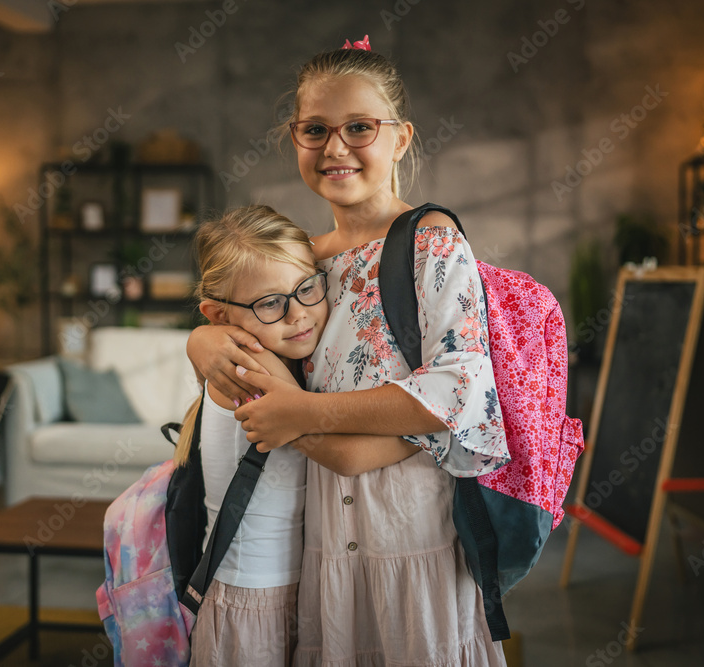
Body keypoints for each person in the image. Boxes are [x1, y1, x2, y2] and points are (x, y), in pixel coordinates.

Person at [187, 40, 509, 666]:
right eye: (316, 130)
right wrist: (201, 340)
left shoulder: (431, 243)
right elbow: (235, 318)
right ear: (295, 138)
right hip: (326, 549)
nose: (336, 148)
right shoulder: (306, 259)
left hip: (413, 542)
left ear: (401, 137)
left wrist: (301, 413)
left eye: (359, 127)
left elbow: (462, 389)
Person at [178, 204, 417, 667]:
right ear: (218, 314)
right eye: (270, 303)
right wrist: (435, 431)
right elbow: (343, 456)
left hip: (283, 586)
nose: (299, 315)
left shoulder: (272, 354)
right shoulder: (251, 368)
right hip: (253, 596)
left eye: (306, 288)